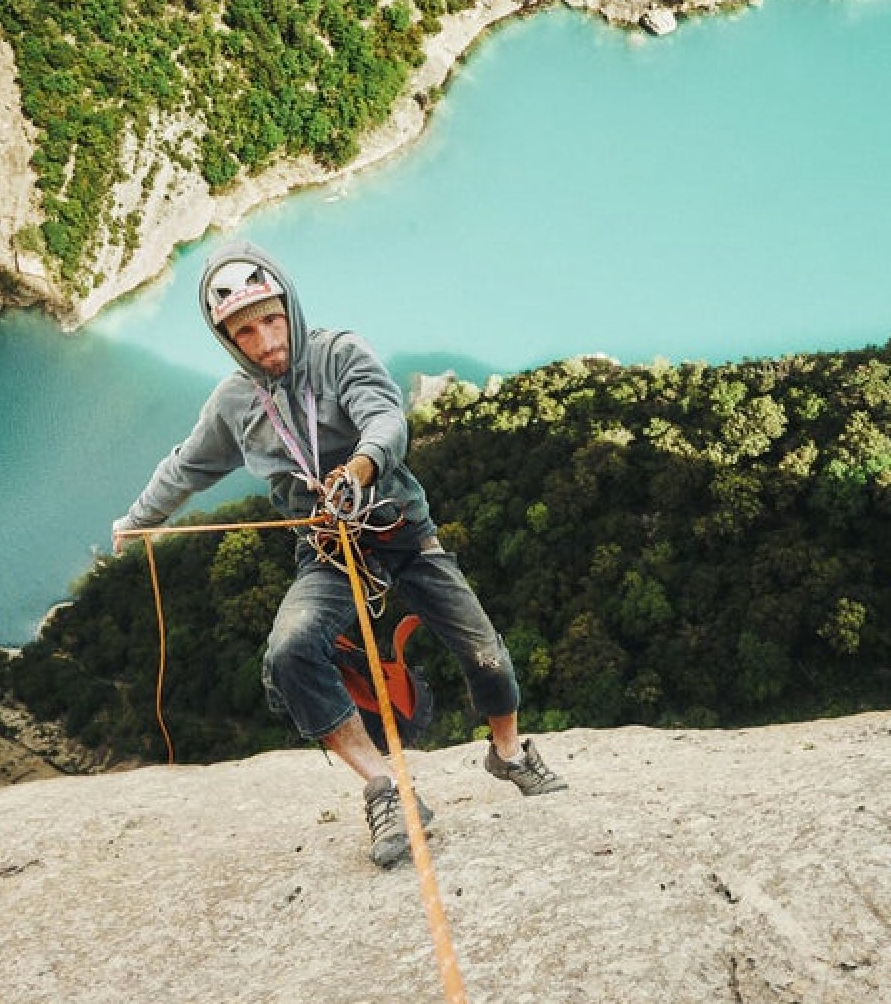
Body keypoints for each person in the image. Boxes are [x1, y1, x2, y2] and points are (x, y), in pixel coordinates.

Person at [112, 239, 567, 868]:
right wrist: (138, 521)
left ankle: (509, 752)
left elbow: (385, 417)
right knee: (290, 649)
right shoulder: (234, 406)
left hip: (399, 531)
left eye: (273, 319)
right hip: (327, 549)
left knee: (483, 650)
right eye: (246, 331)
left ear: (290, 310)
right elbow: (187, 467)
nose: (267, 341)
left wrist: (359, 466)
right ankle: (389, 790)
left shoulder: (338, 354)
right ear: (227, 338)